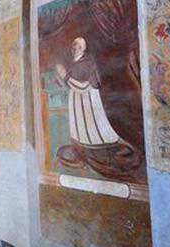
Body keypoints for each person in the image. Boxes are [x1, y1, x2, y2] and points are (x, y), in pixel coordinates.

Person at [53, 37, 141, 181]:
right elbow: (73, 85)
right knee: (83, 140)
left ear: (83, 48)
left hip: (87, 107)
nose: (74, 47)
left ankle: (101, 153)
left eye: (77, 45)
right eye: (73, 44)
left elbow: (83, 87)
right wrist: (62, 79)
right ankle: (87, 152)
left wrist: (65, 76)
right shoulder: (75, 63)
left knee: (96, 137)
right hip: (79, 110)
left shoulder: (87, 63)